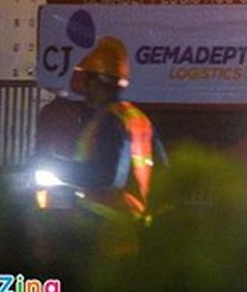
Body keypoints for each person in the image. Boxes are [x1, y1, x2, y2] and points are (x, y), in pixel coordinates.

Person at [57, 36, 166, 223]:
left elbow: (106, 176)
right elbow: (163, 168)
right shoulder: (137, 117)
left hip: (103, 219)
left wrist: (59, 169)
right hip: (136, 219)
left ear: (94, 82)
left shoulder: (108, 119)